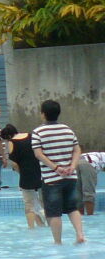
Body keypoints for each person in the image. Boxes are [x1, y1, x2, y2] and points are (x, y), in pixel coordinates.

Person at [33, 99, 86, 245]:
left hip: (51, 179)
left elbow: (39, 154)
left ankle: (58, 242)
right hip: (70, 177)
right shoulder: (67, 129)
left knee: (54, 212)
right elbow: (77, 149)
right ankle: (80, 235)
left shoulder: (38, 132)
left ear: (43, 114)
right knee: (72, 208)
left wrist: (56, 168)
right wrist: (72, 166)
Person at [0, 125, 45, 230]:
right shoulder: (31, 136)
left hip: (26, 175)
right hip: (41, 172)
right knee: (43, 203)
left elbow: (14, 164)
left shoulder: (12, 142)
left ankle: (31, 229)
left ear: (8, 137)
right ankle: (45, 225)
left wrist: (20, 172)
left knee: (29, 205)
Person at [79, 150, 103, 217]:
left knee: (78, 193)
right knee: (89, 192)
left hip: (76, 162)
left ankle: (80, 216)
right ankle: (90, 216)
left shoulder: (98, 154)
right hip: (88, 163)